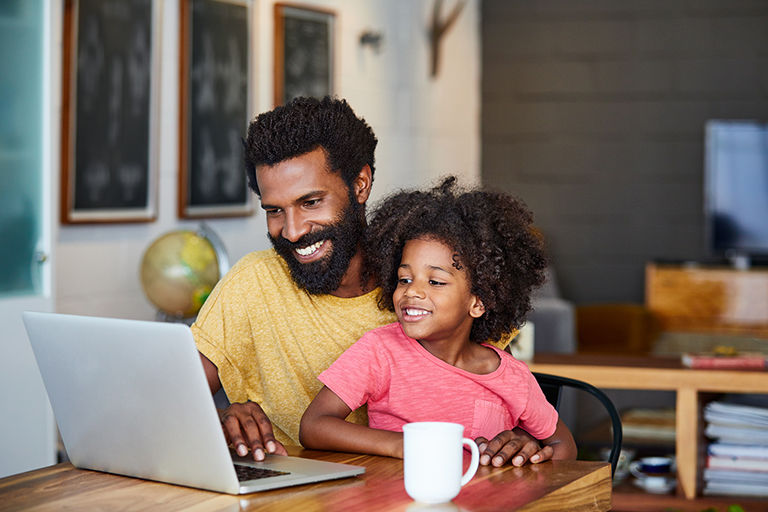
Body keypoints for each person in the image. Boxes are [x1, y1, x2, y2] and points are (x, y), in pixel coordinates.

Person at [192, 96, 556, 468]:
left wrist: (521, 441)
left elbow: (500, 393)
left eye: (311, 202)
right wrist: (216, 420)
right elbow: (170, 403)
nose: (293, 230)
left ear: (361, 184)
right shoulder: (252, 282)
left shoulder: (436, 283)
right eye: (274, 211)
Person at [300, 177, 577, 466]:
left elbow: (562, 444)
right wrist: (405, 445)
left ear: (478, 301)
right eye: (404, 278)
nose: (412, 291)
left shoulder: (512, 378)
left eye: (435, 281)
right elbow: (314, 425)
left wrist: (531, 458)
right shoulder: (380, 351)